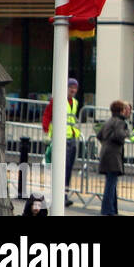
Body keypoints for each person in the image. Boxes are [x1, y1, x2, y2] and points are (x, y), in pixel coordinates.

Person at [41, 77, 81, 206]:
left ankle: (64, 194)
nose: (73, 90)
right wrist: (46, 130)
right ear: (66, 88)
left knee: (68, 168)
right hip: (59, 138)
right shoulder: (57, 100)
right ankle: (56, 194)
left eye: (75, 88)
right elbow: (47, 114)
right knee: (59, 167)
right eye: (71, 87)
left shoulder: (74, 102)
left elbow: (72, 120)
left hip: (71, 138)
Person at [96, 100, 131, 216]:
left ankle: (113, 209)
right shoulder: (120, 122)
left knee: (111, 183)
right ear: (121, 110)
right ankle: (107, 210)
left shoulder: (109, 121)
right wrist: (127, 133)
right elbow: (119, 135)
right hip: (114, 156)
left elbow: (99, 135)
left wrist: (106, 143)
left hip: (105, 153)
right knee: (111, 184)